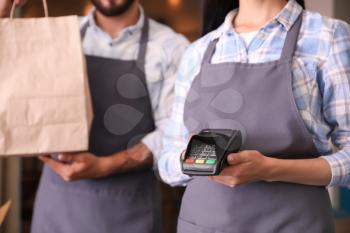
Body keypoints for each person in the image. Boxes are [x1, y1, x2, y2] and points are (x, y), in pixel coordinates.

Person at [158, 0, 350, 232]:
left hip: (295, 223)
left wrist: (270, 169)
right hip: (204, 223)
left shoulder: (327, 37)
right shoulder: (198, 51)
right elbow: (167, 163)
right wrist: (198, 159)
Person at [1, 0, 189, 232]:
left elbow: (173, 135)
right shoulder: (58, 35)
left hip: (128, 210)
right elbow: (14, 82)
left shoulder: (171, 48)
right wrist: (3, 11)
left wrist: (107, 165)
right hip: (57, 207)